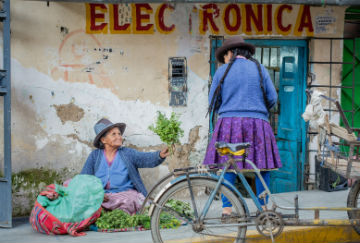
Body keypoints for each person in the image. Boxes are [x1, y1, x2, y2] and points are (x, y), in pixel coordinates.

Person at [203, 36, 282, 218]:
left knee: (227, 166)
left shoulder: (221, 72)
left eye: (225, 55)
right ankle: (263, 209)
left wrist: (229, 106)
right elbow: (272, 98)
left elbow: (213, 102)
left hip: (228, 124)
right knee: (263, 167)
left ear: (231, 52)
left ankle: (227, 210)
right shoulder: (260, 69)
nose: (224, 58)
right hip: (258, 124)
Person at [81, 118, 169, 215]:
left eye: (119, 134)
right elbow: (84, 178)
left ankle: (114, 214)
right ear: (103, 139)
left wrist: (159, 155)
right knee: (83, 198)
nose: (119, 137)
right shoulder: (95, 156)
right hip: (102, 197)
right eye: (113, 134)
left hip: (124, 195)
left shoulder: (127, 153)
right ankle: (106, 213)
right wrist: (97, 193)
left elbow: (145, 158)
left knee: (132, 199)